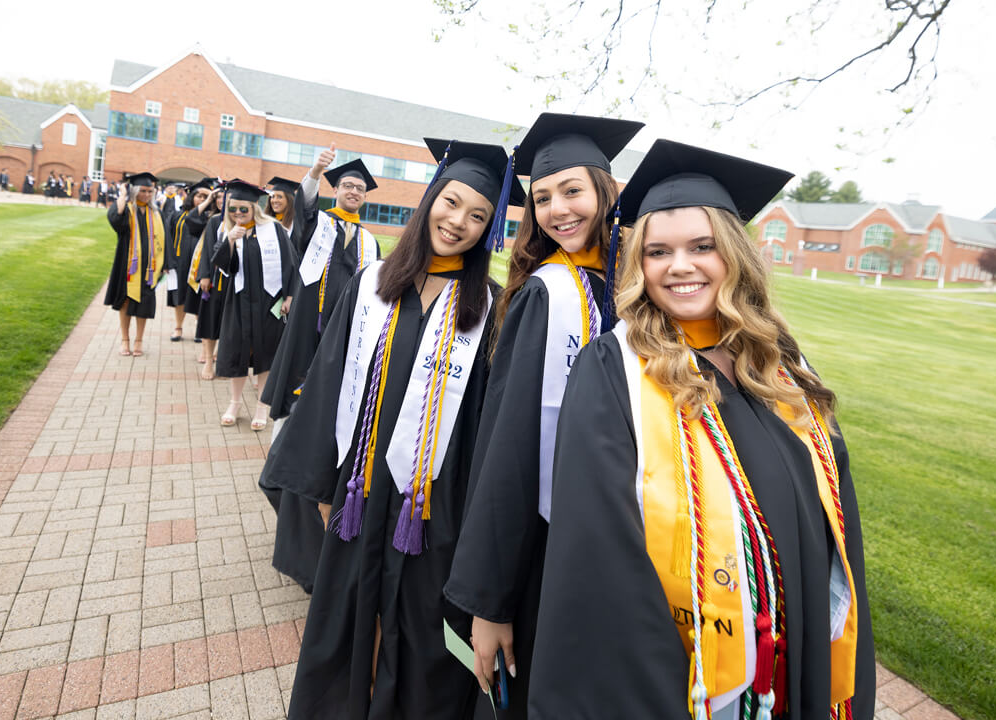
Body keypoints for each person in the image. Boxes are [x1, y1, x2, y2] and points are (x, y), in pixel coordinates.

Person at [528, 140, 873, 720]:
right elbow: (599, 552)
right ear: (640, 265)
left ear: (735, 255)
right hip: (684, 676)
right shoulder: (615, 369)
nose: (679, 266)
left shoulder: (781, 365)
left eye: (702, 246)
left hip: (798, 654)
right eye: (658, 251)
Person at [262, 139, 522, 719]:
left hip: (434, 512)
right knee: (348, 630)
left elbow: (487, 430)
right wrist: (328, 489)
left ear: (489, 229)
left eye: (478, 215)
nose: (458, 222)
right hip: (361, 495)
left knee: (422, 649)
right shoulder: (374, 284)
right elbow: (331, 383)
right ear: (431, 197)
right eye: (451, 203)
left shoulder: (491, 308)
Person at [442, 113, 644, 720]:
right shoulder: (547, 296)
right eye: (543, 198)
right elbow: (508, 451)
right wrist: (490, 601)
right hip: (552, 546)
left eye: (572, 190)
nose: (557, 209)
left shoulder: (643, 286)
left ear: (607, 191)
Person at [261, 152, 381, 423]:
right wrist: (315, 171)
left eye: (360, 189)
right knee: (299, 375)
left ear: (365, 197)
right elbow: (304, 209)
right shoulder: (319, 224)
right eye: (348, 186)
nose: (354, 192)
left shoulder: (369, 240)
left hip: (346, 325)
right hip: (310, 317)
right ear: (335, 189)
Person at [209, 180, 296, 429]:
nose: (238, 214)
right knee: (237, 352)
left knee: (265, 353)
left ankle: (261, 405)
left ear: (254, 208)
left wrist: (289, 297)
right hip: (238, 301)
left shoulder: (274, 228)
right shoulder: (226, 230)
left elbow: (291, 264)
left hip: (270, 301)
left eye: (243, 209)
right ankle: (234, 403)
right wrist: (230, 242)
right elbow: (222, 265)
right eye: (233, 209)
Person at [103, 172, 166, 358]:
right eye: (143, 191)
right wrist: (123, 194)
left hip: (150, 267)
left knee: (144, 303)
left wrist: (166, 263)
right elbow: (115, 218)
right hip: (127, 264)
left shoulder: (156, 213)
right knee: (126, 301)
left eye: (150, 191)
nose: (147, 195)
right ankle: (125, 340)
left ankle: (139, 340)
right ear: (135, 191)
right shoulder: (127, 209)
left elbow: (166, 239)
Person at [165, 178, 213, 342]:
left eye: (205, 196)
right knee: (179, 295)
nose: (201, 199)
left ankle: (199, 327)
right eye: (198, 195)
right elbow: (168, 238)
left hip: (199, 262)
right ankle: (178, 327)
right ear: (191, 196)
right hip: (179, 261)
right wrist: (167, 261)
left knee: (199, 294)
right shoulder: (177, 215)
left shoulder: (209, 218)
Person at [192, 185, 228, 375]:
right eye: (220, 198)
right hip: (215, 278)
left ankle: (223, 362)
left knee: (229, 322)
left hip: (235, 282)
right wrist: (204, 275)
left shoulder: (246, 222)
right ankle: (208, 360)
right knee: (210, 319)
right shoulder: (215, 221)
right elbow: (207, 250)